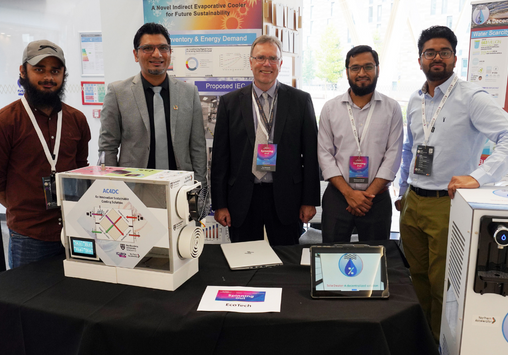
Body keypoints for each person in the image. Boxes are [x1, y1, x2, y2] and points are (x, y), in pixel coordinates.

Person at [395, 26, 508, 342]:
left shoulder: (472, 98)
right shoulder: (415, 99)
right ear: (420, 59)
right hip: (413, 203)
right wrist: (402, 190)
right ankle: (417, 340)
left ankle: (439, 344)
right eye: (430, 52)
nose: (437, 57)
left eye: (444, 51)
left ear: (455, 57)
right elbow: (410, 149)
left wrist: (478, 177)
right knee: (413, 278)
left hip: (448, 204)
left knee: (443, 284)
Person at [0, 40, 91, 268]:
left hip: (74, 230)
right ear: (22, 71)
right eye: (39, 69)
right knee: (25, 301)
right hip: (29, 237)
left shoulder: (77, 120)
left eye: (55, 71)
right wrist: (24, 208)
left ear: (64, 74)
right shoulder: (3, 122)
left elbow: (81, 169)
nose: (48, 78)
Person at [211, 35, 320, 246]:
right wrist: (220, 204)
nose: (266, 64)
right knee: (244, 260)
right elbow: (220, 159)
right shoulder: (229, 102)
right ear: (250, 62)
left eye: (272, 58)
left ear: (280, 63)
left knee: (286, 260)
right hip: (242, 198)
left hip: (287, 197)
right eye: (260, 58)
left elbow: (311, 154)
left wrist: (309, 201)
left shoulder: (300, 100)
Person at [98, 23, 207, 185]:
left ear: (170, 52)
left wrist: (199, 188)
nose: (157, 54)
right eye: (148, 48)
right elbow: (107, 146)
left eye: (163, 48)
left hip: (180, 189)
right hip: (134, 190)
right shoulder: (117, 92)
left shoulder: (189, 93)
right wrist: (111, 187)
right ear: (136, 54)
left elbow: (197, 147)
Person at [318, 45, 403, 243]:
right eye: (355, 68)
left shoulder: (392, 108)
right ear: (347, 71)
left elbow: (393, 155)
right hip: (338, 198)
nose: (362, 73)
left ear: (378, 69)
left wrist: (366, 196)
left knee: (374, 262)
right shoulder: (331, 108)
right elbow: (324, 154)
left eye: (368, 67)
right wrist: (349, 194)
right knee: (331, 258)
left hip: (376, 199)